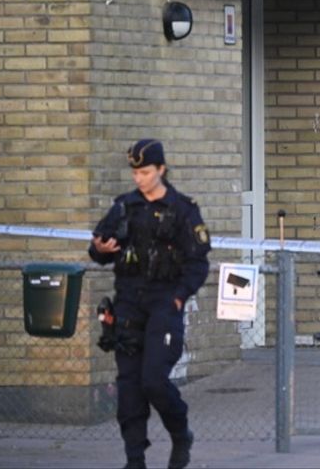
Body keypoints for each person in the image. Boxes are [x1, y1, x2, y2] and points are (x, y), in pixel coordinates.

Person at [90, 139, 211, 469]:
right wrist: (101, 249)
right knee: (129, 387)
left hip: (163, 305)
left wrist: (178, 297)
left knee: (154, 381)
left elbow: (198, 263)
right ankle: (134, 459)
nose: (139, 178)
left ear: (161, 170)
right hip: (128, 305)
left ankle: (180, 433)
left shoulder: (184, 210)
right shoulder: (124, 206)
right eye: (135, 172)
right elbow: (99, 248)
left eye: (145, 172)